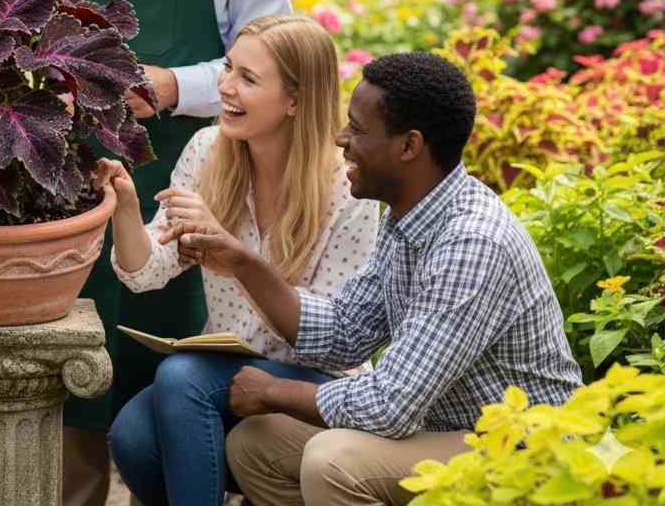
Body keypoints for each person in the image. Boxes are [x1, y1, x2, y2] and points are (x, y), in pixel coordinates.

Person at [3, 0, 293, 501]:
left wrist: (175, 86)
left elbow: (272, 58)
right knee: (70, 380)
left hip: (192, 185)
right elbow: (2, 34)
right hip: (62, 185)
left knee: (170, 376)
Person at [161, 52, 582, 506]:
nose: (341, 138)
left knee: (332, 461)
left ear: (409, 146)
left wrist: (274, 391)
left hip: (524, 450)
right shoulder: (407, 219)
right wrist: (244, 263)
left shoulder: (471, 243)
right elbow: (343, 333)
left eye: (358, 130)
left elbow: (391, 405)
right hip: (448, 433)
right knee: (257, 444)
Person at [97, 14, 378, 505]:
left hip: (316, 380)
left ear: (295, 100)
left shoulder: (347, 187)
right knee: (133, 435)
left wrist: (236, 256)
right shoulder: (208, 151)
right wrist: (125, 208)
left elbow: (335, 339)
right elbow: (147, 271)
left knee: (183, 377)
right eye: (228, 68)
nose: (225, 86)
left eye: (248, 78)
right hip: (224, 370)